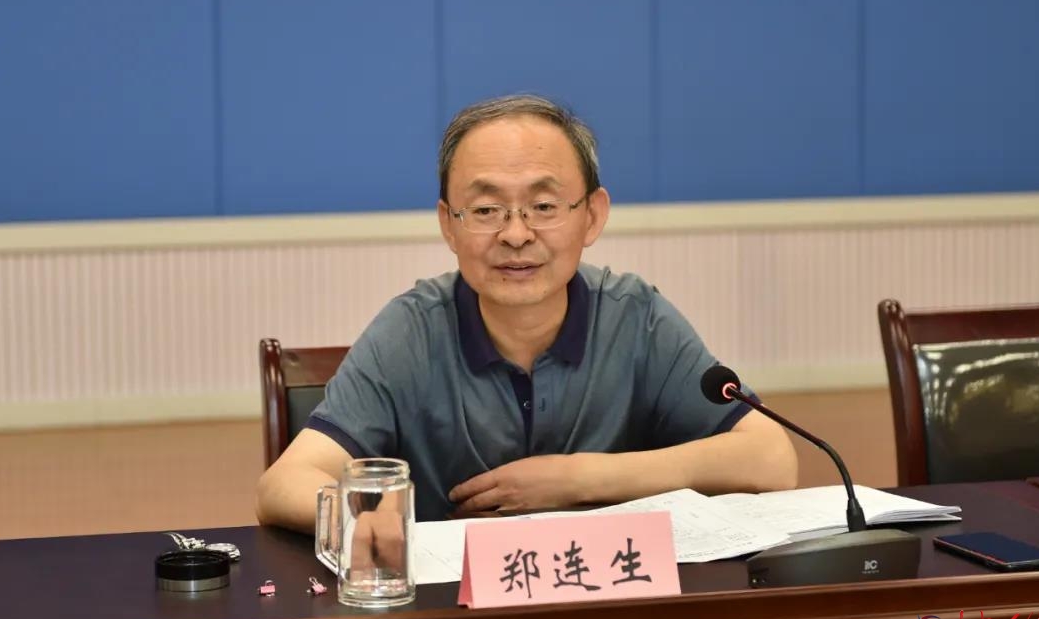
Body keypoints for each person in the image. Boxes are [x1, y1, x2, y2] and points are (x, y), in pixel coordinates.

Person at [255, 94, 798, 534]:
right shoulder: (410, 332)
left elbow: (772, 458)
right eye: (486, 209)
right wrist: (385, 528)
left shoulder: (637, 318)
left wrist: (576, 479)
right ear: (449, 224)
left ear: (592, 216)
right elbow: (284, 485)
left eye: (543, 206)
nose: (516, 234)